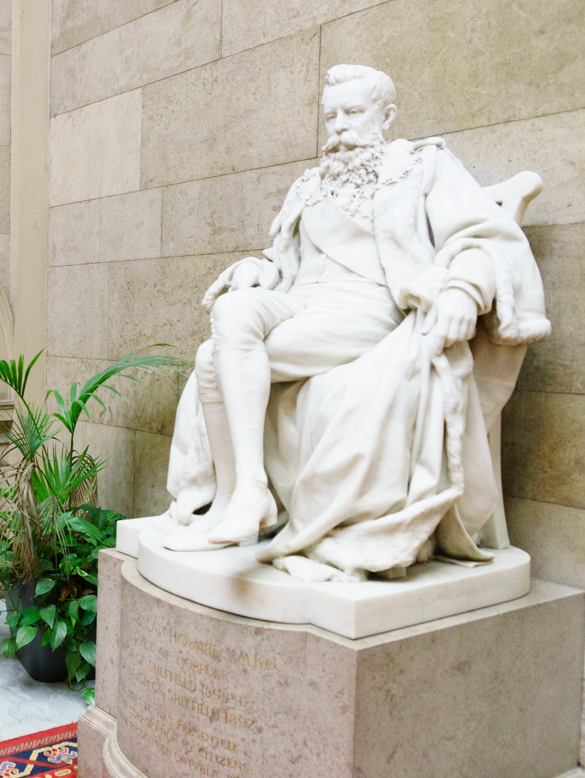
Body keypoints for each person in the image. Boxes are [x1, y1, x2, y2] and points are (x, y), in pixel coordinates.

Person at [162, 65, 549, 581]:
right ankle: (247, 492)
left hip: (370, 307)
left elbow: (482, 236)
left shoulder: (421, 165)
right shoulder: (309, 184)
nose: (339, 126)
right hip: (301, 302)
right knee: (230, 311)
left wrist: (463, 288)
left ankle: (242, 497)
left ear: (384, 115)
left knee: (214, 360)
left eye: (353, 113)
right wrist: (258, 268)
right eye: (331, 116)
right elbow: (283, 259)